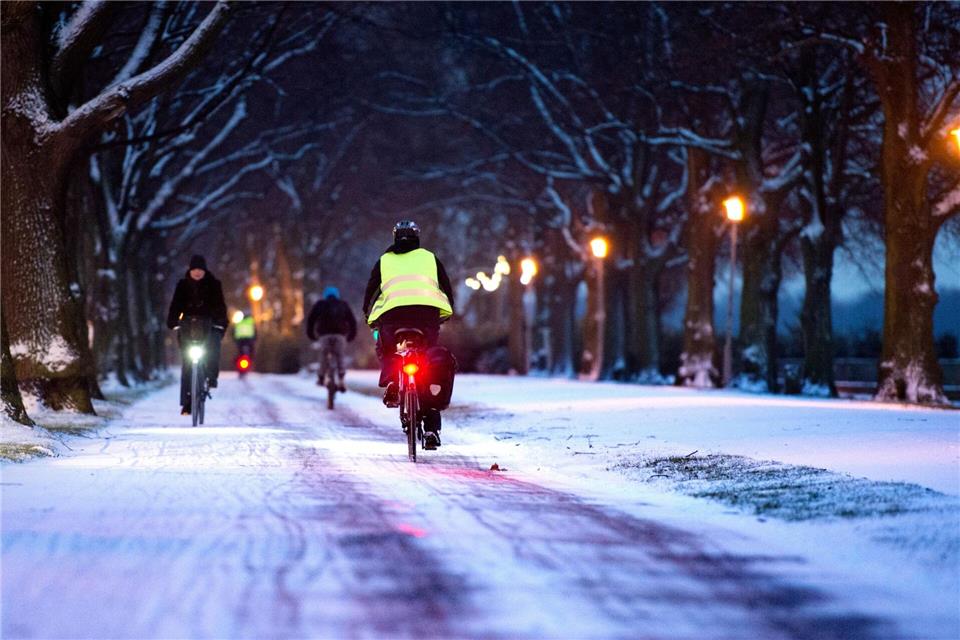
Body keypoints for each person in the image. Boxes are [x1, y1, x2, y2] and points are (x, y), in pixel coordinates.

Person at [363, 220, 454, 447]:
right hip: (427, 318)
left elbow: (371, 292)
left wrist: (369, 315)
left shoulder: (384, 261)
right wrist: (447, 311)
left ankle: (394, 381)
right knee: (429, 363)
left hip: (393, 319)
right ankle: (432, 426)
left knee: (387, 349)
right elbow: (446, 287)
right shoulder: (430, 258)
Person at [166, 255, 227, 415]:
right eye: (195, 270)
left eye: (200, 269)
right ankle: (187, 402)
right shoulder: (182, 285)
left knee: (213, 349)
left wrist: (220, 323)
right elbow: (175, 305)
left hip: (209, 325)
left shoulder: (214, 285)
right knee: (187, 363)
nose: (197, 273)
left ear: (205, 270)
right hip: (187, 326)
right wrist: (172, 321)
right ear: (190, 270)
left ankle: (211, 377)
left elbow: (220, 306)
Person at [306, 286, 357, 392]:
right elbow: (352, 321)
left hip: (324, 335)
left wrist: (311, 334)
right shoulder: (343, 305)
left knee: (324, 354)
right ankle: (341, 379)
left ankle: (321, 377)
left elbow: (311, 320)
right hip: (340, 335)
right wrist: (351, 336)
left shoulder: (320, 305)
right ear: (337, 295)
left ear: (325, 295)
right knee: (340, 355)